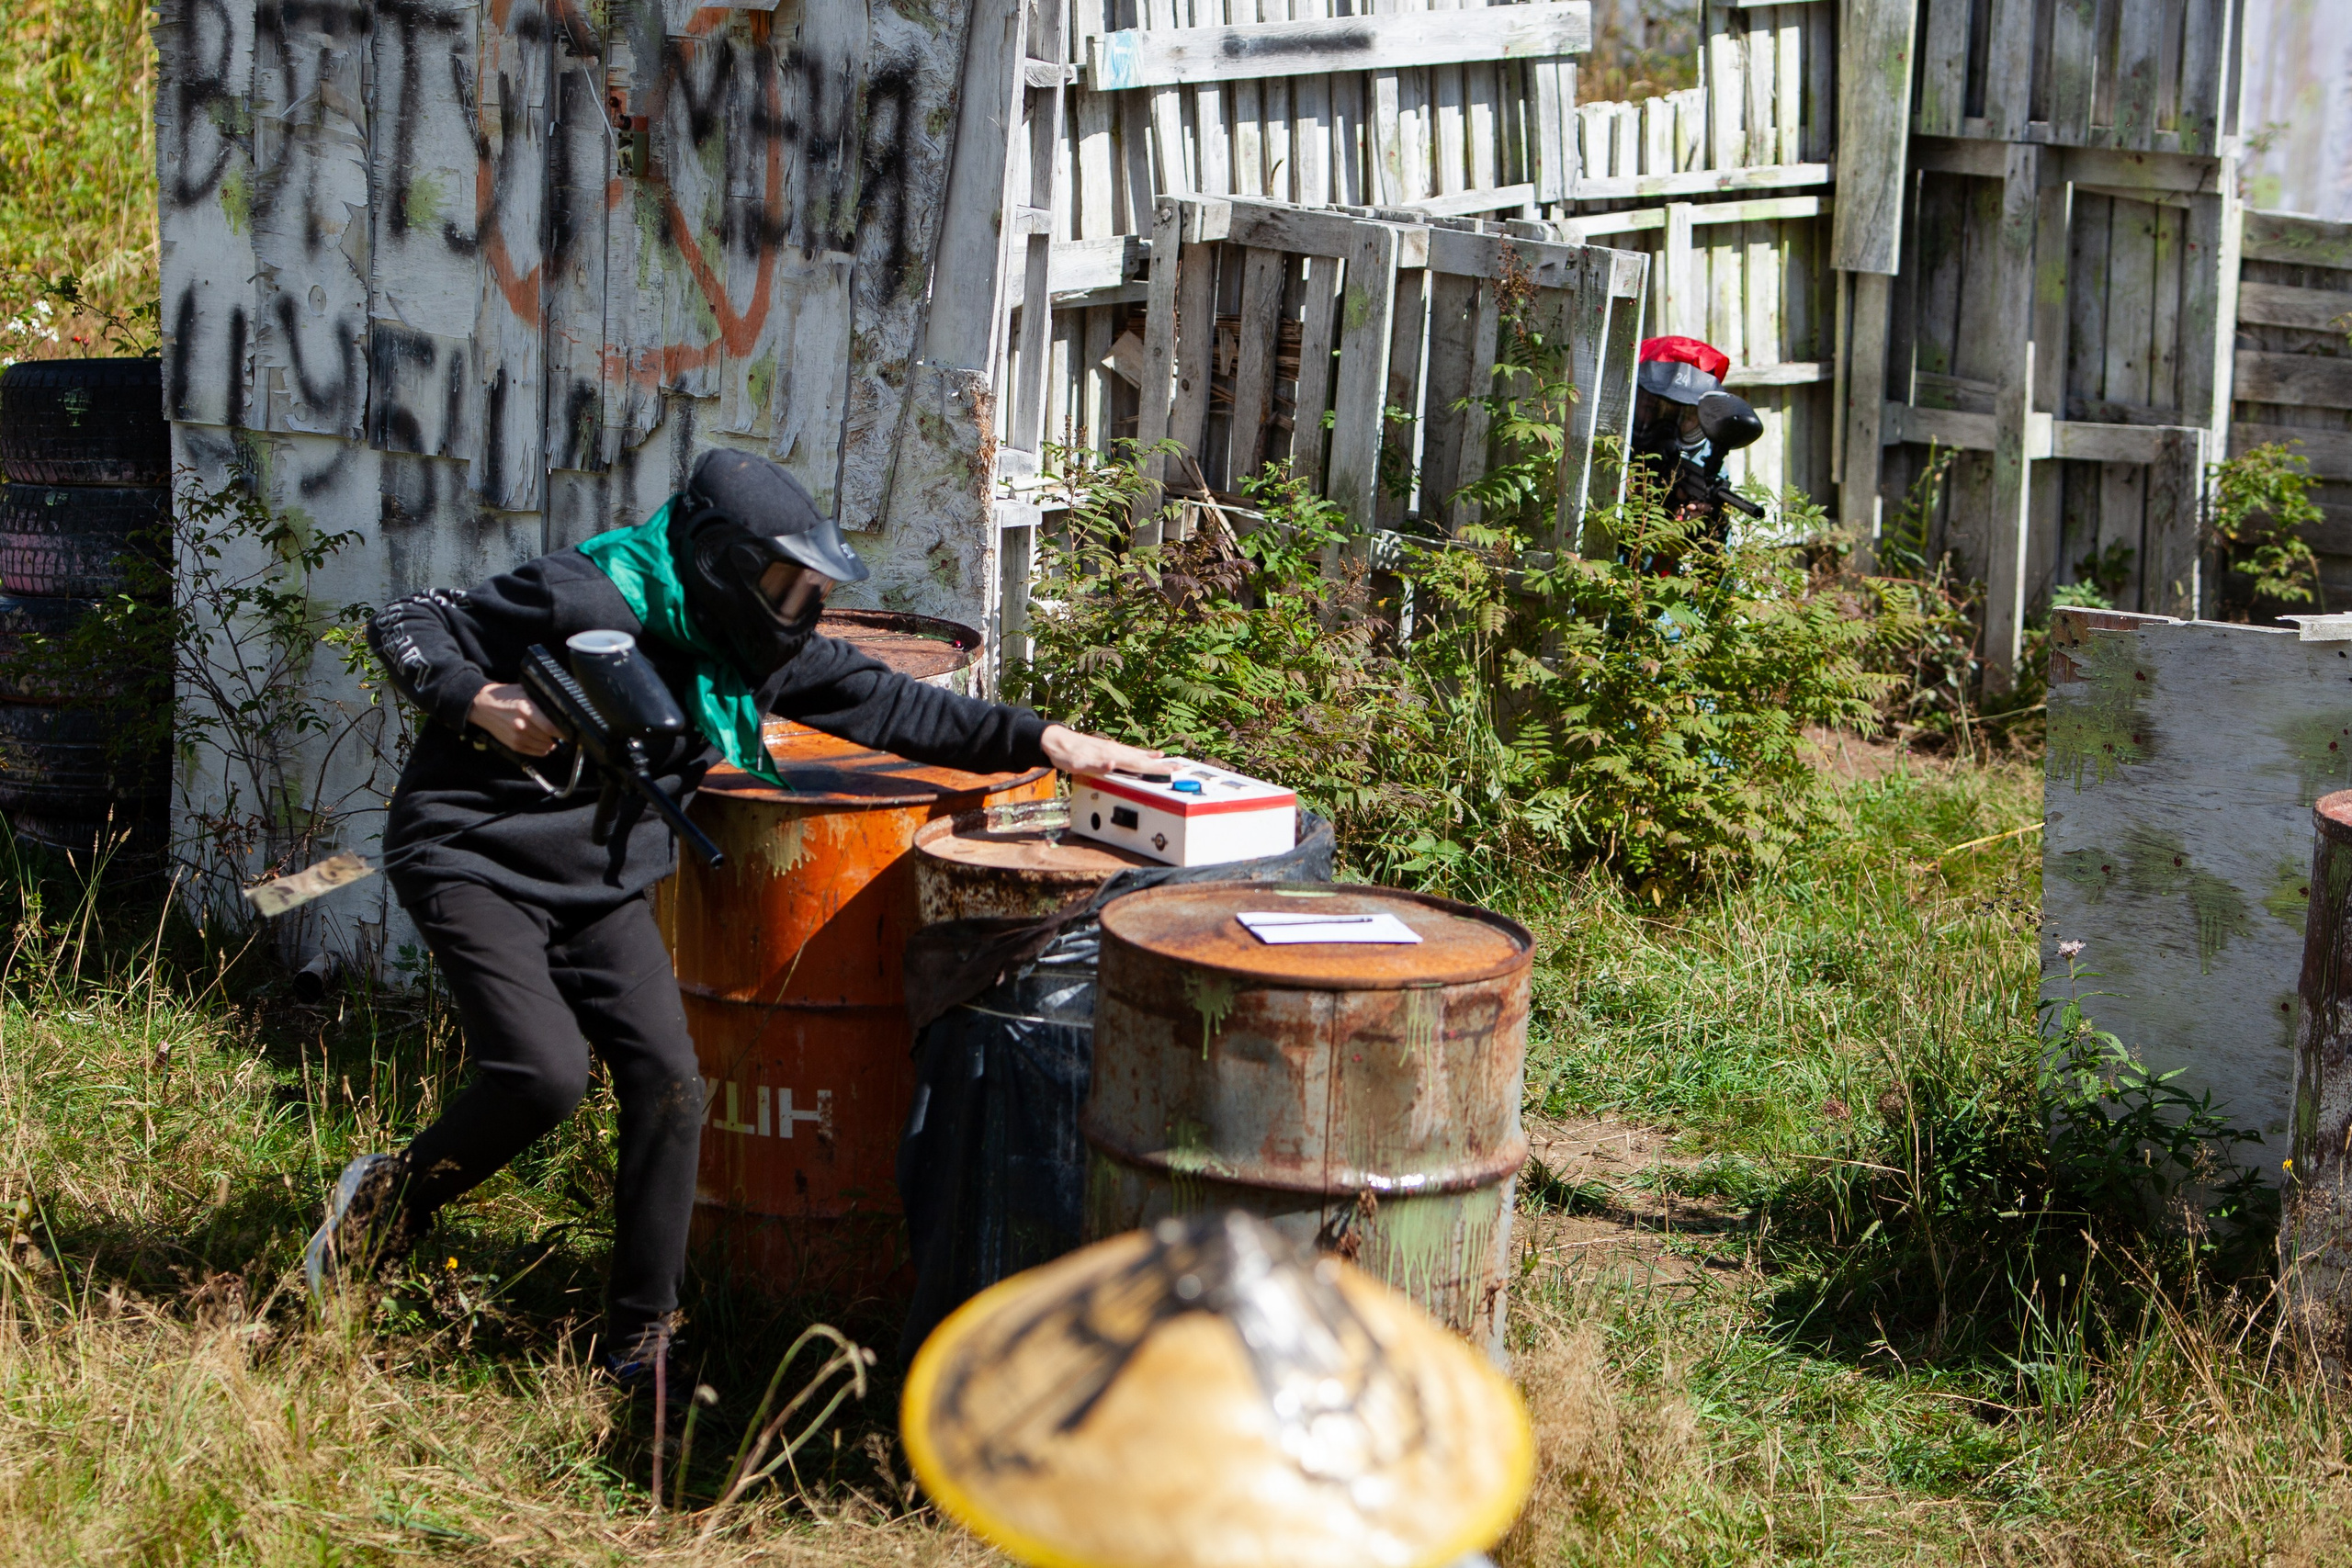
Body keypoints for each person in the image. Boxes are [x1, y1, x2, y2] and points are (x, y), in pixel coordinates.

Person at [314, 448, 1160, 1382]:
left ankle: (638, 1340)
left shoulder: (750, 645)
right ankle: (386, 1205)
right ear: (721, 560)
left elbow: (887, 706)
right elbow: (411, 619)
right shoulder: (584, 596)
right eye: (785, 583)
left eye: (809, 590)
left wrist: (1045, 738)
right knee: (543, 1078)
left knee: (672, 1087)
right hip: (473, 855)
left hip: (600, 877)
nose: (798, 609)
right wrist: (480, 699)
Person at [1626, 334, 1762, 539]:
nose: (1667, 431)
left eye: (1686, 417)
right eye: (1653, 409)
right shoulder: (1607, 448)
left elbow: (1718, 563)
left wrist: (1701, 530)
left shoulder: (1701, 466)